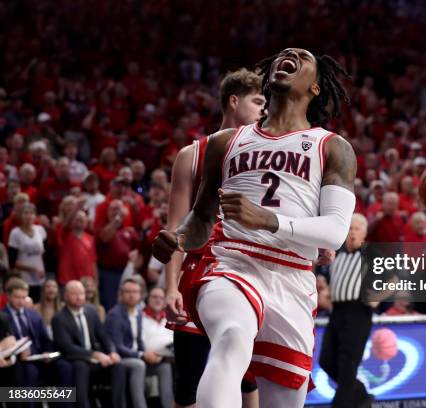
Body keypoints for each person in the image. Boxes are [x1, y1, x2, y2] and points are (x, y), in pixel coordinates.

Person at [153, 48, 356, 407]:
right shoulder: (224, 142)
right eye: (283, 54)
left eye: (301, 57)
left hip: (293, 278)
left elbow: (336, 231)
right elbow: (201, 217)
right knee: (231, 337)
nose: (288, 54)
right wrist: (180, 239)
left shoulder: (332, 147)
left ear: (315, 89)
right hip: (233, 263)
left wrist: (269, 220)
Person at [162, 68, 264, 408]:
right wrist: (169, 287)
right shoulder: (192, 156)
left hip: (250, 275)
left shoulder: (269, 157)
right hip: (200, 274)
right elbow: (176, 228)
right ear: (234, 101)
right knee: (187, 387)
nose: (265, 110)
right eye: (258, 101)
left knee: (249, 379)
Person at [319, 213, 373, 408]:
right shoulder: (337, 255)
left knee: (347, 367)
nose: (352, 232)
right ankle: (362, 396)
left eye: (357, 229)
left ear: (364, 233)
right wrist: (326, 292)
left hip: (358, 312)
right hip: (337, 312)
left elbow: (394, 281)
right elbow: (334, 282)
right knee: (326, 360)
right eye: (350, 228)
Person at [52, 280, 127, 408]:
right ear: (65, 296)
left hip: (95, 358)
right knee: (81, 366)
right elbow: (68, 347)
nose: (79, 297)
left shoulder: (91, 311)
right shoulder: (59, 318)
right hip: (75, 358)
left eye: (81, 293)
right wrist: (95, 355)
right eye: (74, 294)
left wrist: (112, 352)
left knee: (118, 366)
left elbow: (104, 336)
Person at [105, 278, 173, 408]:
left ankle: (168, 405)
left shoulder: (138, 313)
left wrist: (148, 354)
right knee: (139, 364)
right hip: (120, 360)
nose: (131, 295)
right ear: (121, 293)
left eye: (135, 292)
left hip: (136, 357)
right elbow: (118, 347)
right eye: (128, 291)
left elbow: (139, 340)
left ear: (140, 295)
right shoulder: (115, 315)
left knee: (164, 367)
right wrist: (142, 355)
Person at [2, 278, 72, 393]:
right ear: (8, 296)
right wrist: (17, 354)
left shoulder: (33, 315)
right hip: (19, 362)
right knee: (30, 371)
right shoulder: (3, 317)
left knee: (64, 367)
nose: (21, 302)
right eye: (17, 297)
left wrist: (48, 353)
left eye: (23, 298)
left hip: (39, 357)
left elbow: (45, 340)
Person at [8, 203, 47, 302]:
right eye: (25, 213)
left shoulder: (40, 230)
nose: (28, 216)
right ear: (21, 215)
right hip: (23, 277)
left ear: (35, 215)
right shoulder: (15, 233)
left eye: (31, 213)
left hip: (40, 277)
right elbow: (12, 262)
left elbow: (44, 252)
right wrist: (32, 269)